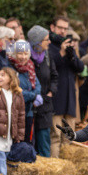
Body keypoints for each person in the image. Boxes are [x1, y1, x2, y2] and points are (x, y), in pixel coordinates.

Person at [48, 16, 85, 158]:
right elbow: (50, 67)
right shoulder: (49, 46)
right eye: (60, 28)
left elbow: (80, 68)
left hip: (70, 98)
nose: (63, 31)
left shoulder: (69, 44)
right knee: (56, 136)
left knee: (69, 137)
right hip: (56, 98)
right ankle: (56, 169)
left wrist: (72, 55)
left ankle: (68, 173)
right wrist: (61, 53)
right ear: (53, 28)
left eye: (65, 28)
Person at [27, 25, 58, 157]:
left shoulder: (47, 57)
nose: (49, 42)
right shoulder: (26, 58)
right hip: (31, 106)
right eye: (46, 39)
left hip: (45, 106)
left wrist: (51, 91)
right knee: (31, 145)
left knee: (45, 145)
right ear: (37, 42)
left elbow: (54, 76)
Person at [8, 40, 41, 144]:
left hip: (29, 111)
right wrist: (33, 96)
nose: (23, 57)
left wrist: (35, 95)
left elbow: (37, 85)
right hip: (16, 113)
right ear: (14, 54)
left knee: (28, 140)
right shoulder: (10, 68)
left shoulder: (30, 67)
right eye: (20, 53)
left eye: (26, 53)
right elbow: (15, 91)